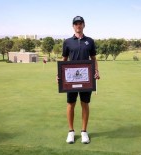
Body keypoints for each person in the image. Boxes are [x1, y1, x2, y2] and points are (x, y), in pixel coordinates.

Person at [57, 16, 100, 144]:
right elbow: (63, 60)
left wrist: (96, 71)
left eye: (80, 23)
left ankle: (84, 132)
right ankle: (71, 132)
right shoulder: (68, 42)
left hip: (86, 79)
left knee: (85, 104)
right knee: (71, 104)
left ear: (84, 25)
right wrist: (58, 75)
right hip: (70, 80)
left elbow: (93, 59)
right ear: (73, 26)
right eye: (76, 24)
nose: (78, 26)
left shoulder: (90, 41)